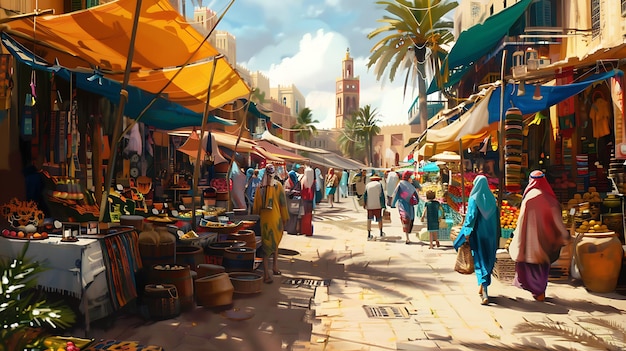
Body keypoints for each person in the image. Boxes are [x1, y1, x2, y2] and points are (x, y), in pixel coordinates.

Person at [508, 170, 570, 302]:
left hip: (529, 242)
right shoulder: (550, 199)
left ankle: (537, 291)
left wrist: (518, 235)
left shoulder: (529, 198)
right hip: (545, 240)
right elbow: (557, 219)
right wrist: (562, 235)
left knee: (529, 267)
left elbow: (521, 220)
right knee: (542, 267)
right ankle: (540, 291)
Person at [452, 175, 498, 305]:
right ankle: (483, 286)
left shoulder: (474, 199)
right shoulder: (492, 199)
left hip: (478, 235)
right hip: (491, 236)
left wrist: (462, 236)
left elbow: (470, 219)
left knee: (480, 261)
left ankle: (484, 291)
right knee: (488, 260)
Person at [252, 164, 290, 284]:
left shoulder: (259, 188)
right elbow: (283, 205)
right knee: (273, 244)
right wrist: (285, 219)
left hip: (265, 221)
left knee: (267, 245)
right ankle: (269, 272)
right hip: (276, 219)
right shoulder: (278, 186)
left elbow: (256, 207)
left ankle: (271, 270)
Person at [391, 171, 419, 244]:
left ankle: (407, 236)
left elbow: (395, 194)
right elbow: (416, 197)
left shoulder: (401, 184)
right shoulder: (411, 186)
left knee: (405, 220)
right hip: (409, 206)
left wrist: (393, 204)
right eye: (411, 177)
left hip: (403, 206)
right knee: (409, 220)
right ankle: (407, 237)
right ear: (408, 177)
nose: (412, 179)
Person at [363, 174, 386, 240]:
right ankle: (381, 232)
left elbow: (365, 195)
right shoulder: (379, 185)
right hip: (377, 205)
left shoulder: (368, 185)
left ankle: (369, 234)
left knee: (369, 219)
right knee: (379, 219)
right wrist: (383, 205)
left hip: (369, 205)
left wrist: (365, 204)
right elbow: (381, 195)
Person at [284, 170, 301, 234]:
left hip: (295, 201)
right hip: (289, 201)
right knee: (289, 215)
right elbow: (285, 191)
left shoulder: (297, 183)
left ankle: (293, 230)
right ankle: (289, 229)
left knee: (294, 216)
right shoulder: (288, 182)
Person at [300, 165, 315, 236]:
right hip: (308, 201)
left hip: (305, 200)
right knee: (308, 216)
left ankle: (305, 230)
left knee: (305, 216)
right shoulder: (310, 181)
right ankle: (307, 230)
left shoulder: (304, 179)